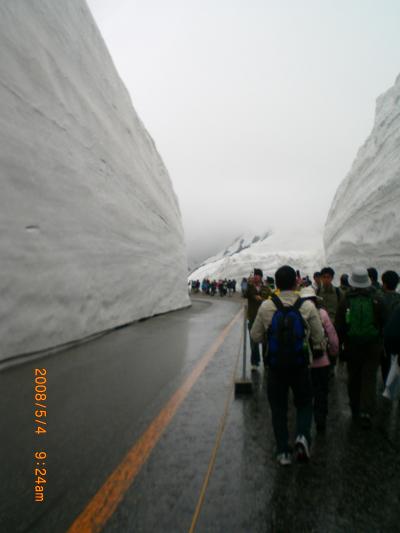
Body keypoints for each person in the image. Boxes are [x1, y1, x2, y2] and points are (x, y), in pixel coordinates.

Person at [251, 265, 325, 465]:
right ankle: (302, 436)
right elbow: (318, 336)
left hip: (275, 367)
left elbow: (255, 336)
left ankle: (283, 451)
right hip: (300, 365)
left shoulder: (267, 306)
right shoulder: (307, 306)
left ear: (276, 283)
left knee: (278, 408)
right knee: (303, 403)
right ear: (295, 283)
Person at [335, 267, 386, 428]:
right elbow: (383, 322)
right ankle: (366, 411)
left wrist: (341, 345)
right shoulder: (377, 298)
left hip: (352, 345)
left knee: (354, 376)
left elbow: (340, 325)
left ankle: (355, 406)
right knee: (369, 377)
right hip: (373, 345)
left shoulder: (346, 299)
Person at [300, 287, 339, 432]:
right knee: (321, 392)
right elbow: (332, 335)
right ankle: (320, 420)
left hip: (303, 362)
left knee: (305, 394)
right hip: (322, 361)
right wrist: (334, 353)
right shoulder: (322, 313)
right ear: (315, 300)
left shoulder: (297, 313)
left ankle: (304, 424)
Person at [245, 268, 271, 369]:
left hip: (264, 318)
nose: (256, 276)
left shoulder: (266, 288)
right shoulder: (250, 287)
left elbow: (270, 300)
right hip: (252, 318)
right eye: (255, 275)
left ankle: (266, 361)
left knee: (266, 341)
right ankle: (255, 362)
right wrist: (249, 284)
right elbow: (245, 294)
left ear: (261, 277)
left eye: (258, 275)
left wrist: (262, 299)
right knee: (253, 341)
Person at [380, 271, 400, 381]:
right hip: (398, 338)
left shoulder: (379, 298)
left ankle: (386, 385)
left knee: (385, 363)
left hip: (384, 338)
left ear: (384, 284)